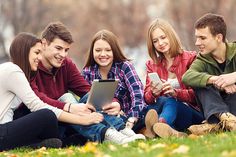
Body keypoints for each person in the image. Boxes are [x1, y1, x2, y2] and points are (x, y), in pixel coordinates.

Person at [30, 22, 144, 144]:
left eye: (66, 50)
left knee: (91, 97)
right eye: (58, 48)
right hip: (49, 123)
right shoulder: (32, 66)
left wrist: (114, 103)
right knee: (67, 98)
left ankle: (122, 130)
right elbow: (38, 100)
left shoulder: (66, 64)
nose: (63, 54)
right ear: (44, 44)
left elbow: (87, 90)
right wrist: (69, 106)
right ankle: (107, 134)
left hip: (72, 123)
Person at [0, 32, 104, 151]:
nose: (40, 57)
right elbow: (37, 105)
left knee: (26, 112)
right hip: (2, 132)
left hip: (7, 128)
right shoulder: (13, 70)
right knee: (46, 115)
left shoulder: (19, 73)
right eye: (37, 52)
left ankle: (41, 143)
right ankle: (49, 142)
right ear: (24, 52)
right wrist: (82, 120)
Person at [144, 18, 204, 138]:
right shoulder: (152, 65)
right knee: (156, 104)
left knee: (171, 101)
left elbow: (199, 95)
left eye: (163, 37)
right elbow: (147, 98)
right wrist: (153, 93)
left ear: (171, 36)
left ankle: (159, 125)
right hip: (167, 110)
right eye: (155, 41)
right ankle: (169, 130)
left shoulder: (190, 58)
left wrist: (176, 93)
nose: (160, 43)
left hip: (190, 112)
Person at [82, 29, 147, 132]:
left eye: (108, 50)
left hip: (130, 118)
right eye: (98, 50)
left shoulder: (124, 67)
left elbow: (138, 94)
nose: (103, 54)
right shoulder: (88, 72)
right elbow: (85, 101)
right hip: (102, 119)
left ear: (114, 50)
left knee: (146, 113)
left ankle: (143, 127)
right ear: (92, 51)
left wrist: (132, 118)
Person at [182, 13, 236, 135]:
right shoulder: (203, 59)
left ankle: (214, 126)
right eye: (197, 37)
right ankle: (226, 120)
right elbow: (187, 77)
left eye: (202, 38)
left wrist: (233, 77)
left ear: (218, 37)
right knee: (201, 83)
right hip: (221, 110)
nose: (197, 42)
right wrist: (216, 80)